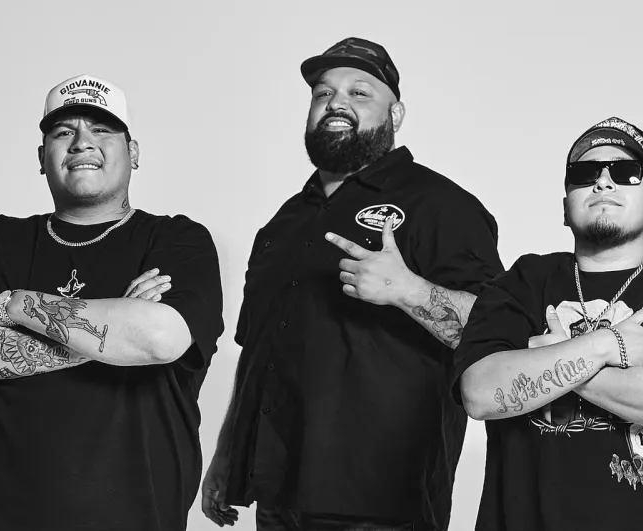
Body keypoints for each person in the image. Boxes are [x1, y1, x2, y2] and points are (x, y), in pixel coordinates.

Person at [202, 38, 505, 530]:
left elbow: (495, 335)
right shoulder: (283, 224)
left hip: (382, 503)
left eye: (359, 92)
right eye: (323, 93)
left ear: (396, 114)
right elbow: (257, 351)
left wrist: (407, 290)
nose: (336, 103)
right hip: (278, 497)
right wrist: (226, 453)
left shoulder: (441, 206)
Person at [0, 74, 224, 531]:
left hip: (131, 517)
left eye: (101, 129)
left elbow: (160, 338)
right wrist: (115, 331)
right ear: (41, 158)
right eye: (64, 132)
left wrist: (14, 305)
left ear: (133, 152)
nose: (82, 141)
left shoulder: (178, 241)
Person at [454, 117, 643, 531]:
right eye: (584, 173)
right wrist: (606, 346)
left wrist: (556, 362)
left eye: (627, 172)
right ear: (565, 207)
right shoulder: (522, 283)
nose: (603, 182)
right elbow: (480, 393)